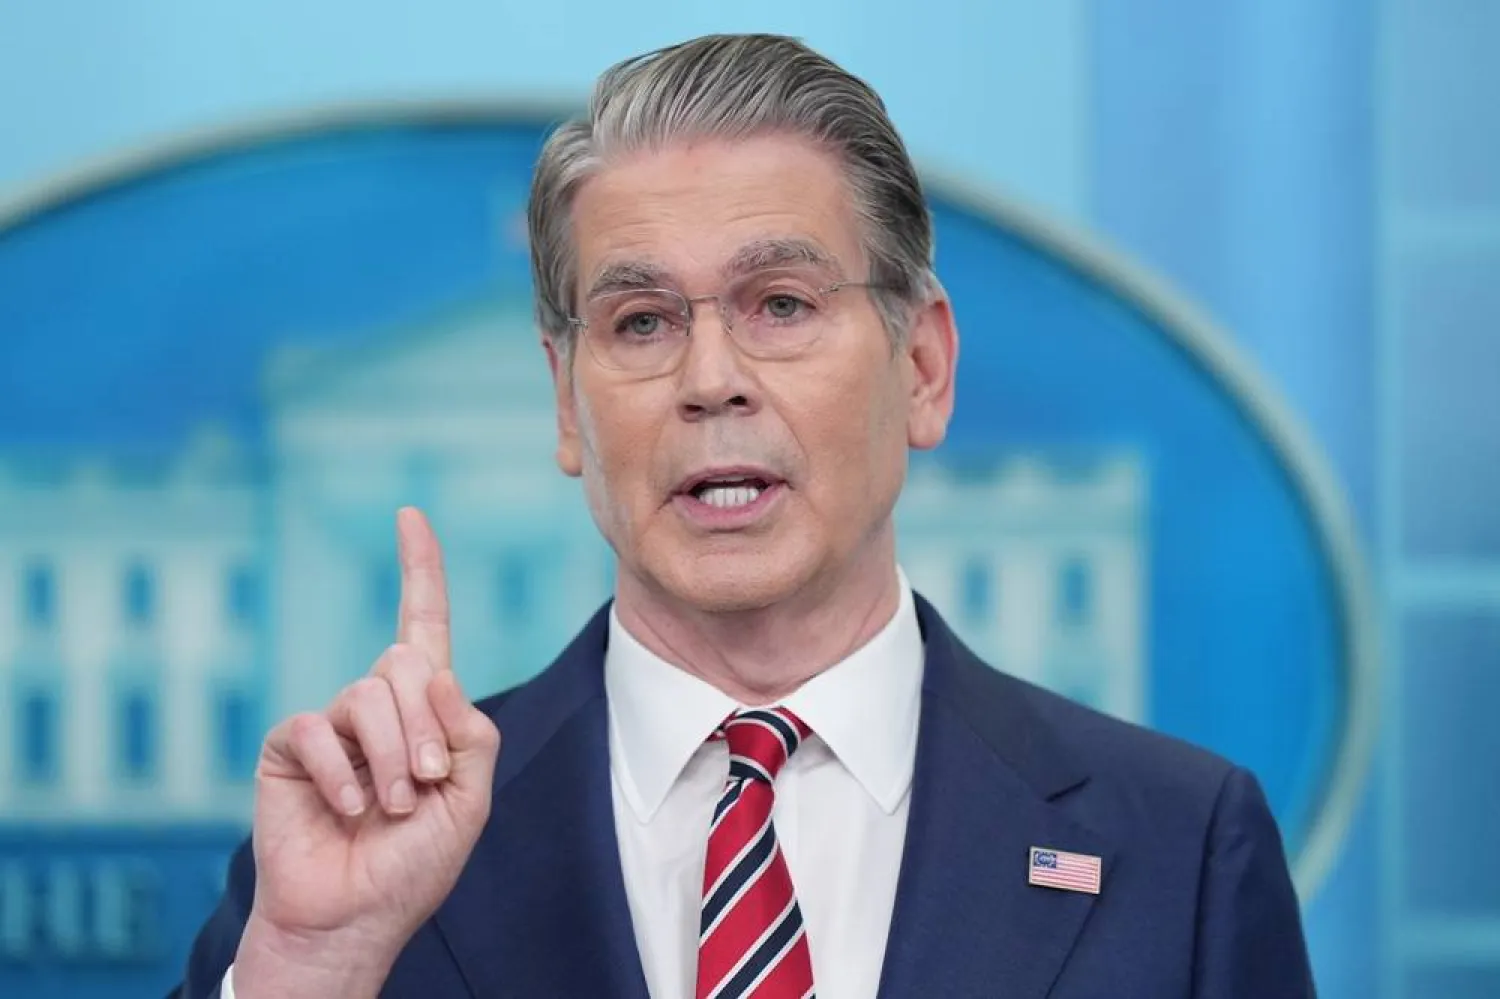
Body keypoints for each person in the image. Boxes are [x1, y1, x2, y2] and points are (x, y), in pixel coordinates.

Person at [171, 32, 1316, 999]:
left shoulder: (1182, 849)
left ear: (921, 367)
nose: (709, 377)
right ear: (567, 406)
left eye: (781, 304)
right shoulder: (359, 865)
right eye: (639, 322)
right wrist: (308, 972)